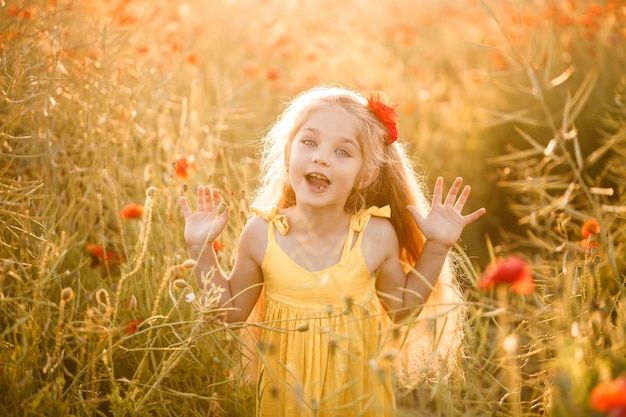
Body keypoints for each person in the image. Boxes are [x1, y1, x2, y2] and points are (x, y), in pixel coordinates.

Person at [180, 85, 485, 416]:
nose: (321, 157)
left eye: (343, 152)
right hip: (286, 403)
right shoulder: (261, 234)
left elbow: (402, 312)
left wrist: (437, 247)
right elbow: (230, 313)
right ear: (288, 154)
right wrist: (200, 248)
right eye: (309, 142)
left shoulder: (373, 236)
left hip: (358, 402)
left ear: (365, 175)